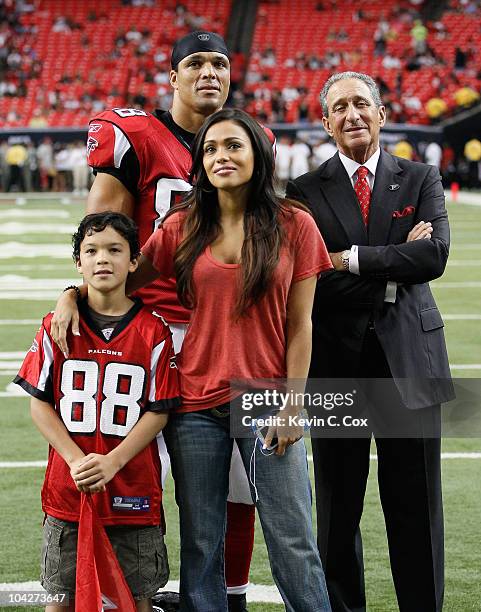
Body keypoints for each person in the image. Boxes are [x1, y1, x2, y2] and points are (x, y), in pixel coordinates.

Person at [51, 31, 266, 612]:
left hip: (228, 330)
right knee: (130, 474)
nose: (209, 73)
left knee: (237, 488)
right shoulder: (138, 136)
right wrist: (76, 292)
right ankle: (118, 593)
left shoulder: (250, 141)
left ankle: (231, 596)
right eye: (194, 63)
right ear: (171, 77)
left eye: (220, 63)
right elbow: (101, 236)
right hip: (152, 334)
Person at [137, 108, 333, 611]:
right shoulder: (182, 223)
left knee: (292, 539)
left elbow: (300, 325)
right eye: (210, 149)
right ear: (200, 164)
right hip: (194, 402)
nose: (221, 156)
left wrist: (294, 404)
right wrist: (75, 293)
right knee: (201, 544)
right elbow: (120, 283)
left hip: (268, 399)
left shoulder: (296, 224)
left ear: (258, 154)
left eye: (233, 145)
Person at [286, 71, 454, 612]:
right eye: (340, 108)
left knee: (415, 505)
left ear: (381, 114)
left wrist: (351, 258)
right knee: (338, 506)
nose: (352, 115)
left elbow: (433, 258)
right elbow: (311, 279)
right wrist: (392, 261)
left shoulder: (423, 176)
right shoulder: (304, 191)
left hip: (410, 359)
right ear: (327, 123)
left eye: (362, 104)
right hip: (336, 362)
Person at [14, 212, 181, 612]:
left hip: (132, 489)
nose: (102, 259)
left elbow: (159, 410)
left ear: (134, 261)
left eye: (114, 250)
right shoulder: (57, 325)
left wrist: (114, 461)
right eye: (91, 250)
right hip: (69, 487)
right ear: (78, 262)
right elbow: (40, 402)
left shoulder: (153, 330)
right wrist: (75, 460)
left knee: (136, 598)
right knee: (60, 598)